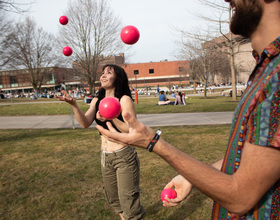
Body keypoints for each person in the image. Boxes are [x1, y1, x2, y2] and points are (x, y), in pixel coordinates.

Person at [96, 0, 280, 219]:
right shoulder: (266, 69)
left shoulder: (276, 77)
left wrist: (154, 142)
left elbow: (240, 196)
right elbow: (256, 159)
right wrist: (192, 177)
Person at [57, 64, 145, 220]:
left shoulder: (124, 100)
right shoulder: (97, 100)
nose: (103, 76)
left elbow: (133, 130)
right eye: (102, 73)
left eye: (109, 73)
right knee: (114, 200)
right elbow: (85, 123)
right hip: (106, 157)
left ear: (118, 78)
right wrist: (74, 105)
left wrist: (112, 118)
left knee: (129, 201)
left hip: (123, 156)